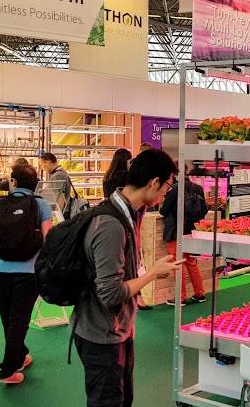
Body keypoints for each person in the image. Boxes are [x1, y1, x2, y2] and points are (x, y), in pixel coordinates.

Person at [74, 148, 180, 407]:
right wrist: (153, 273)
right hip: (101, 335)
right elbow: (110, 293)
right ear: (154, 182)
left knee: (122, 398)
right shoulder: (111, 225)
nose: (167, 193)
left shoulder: (127, 212)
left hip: (116, 330)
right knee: (108, 401)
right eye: (167, 186)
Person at [0, 164, 53, 385]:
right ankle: (8, 370)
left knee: (8, 318)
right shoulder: (41, 205)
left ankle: (20, 355)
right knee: (19, 320)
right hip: (28, 271)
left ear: (13, 182)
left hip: (1, 270)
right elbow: (48, 238)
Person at [159, 163, 209, 306]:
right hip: (192, 232)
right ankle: (199, 293)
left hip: (175, 232)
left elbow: (163, 211)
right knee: (191, 263)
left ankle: (180, 297)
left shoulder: (175, 189)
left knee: (177, 264)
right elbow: (204, 210)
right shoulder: (198, 188)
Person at [38, 152, 72, 217]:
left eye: (41, 165)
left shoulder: (57, 175)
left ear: (47, 162)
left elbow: (60, 197)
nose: (42, 168)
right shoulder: (61, 172)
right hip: (64, 211)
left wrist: (57, 216)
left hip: (62, 212)